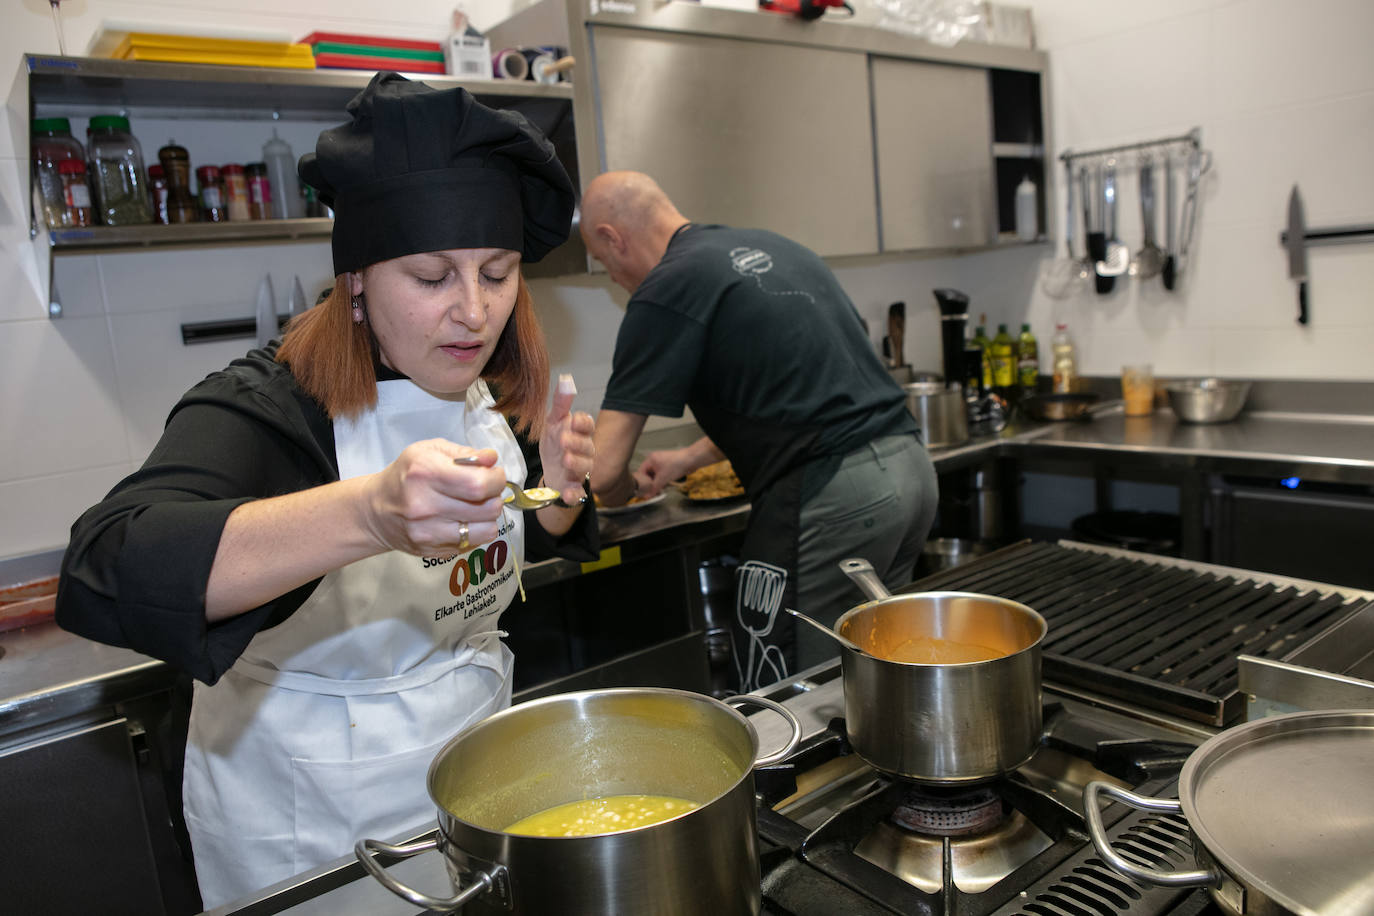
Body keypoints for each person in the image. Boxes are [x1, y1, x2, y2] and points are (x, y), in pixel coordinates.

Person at [55, 73, 597, 907]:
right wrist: (368, 513)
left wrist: (556, 494)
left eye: (497, 273)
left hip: (476, 776)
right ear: (356, 279)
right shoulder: (268, 406)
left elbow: (519, 540)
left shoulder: (480, 392)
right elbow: (106, 561)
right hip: (312, 822)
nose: (474, 312)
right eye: (432, 277)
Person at [582, 170, 938, 692]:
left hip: (836, 498)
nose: (613, 277)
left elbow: (602, 472)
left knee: (794, 692)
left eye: (603, 261)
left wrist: (622, 491)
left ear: (612, 237)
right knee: (879, 673)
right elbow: (799, 397)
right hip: (912, 475)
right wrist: (687, 459)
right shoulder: (774, 248)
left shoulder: (667, 286)